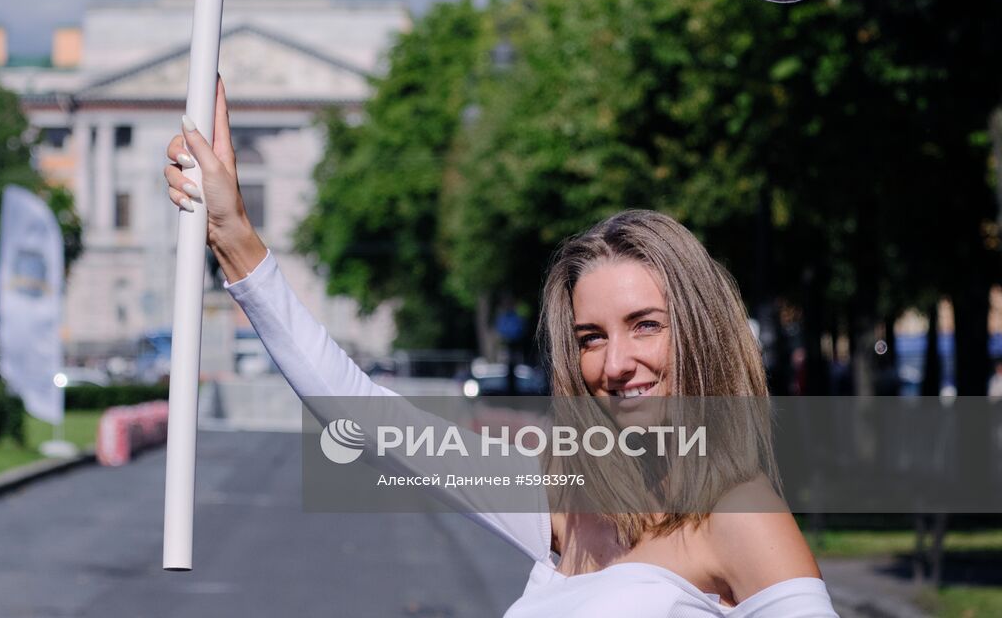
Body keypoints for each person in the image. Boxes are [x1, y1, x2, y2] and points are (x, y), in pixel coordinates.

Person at [164, 78, 840, 617]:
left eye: (645, 325)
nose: (614, 363)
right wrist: (236, 238)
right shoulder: (563, 502)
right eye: (590, 339)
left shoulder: (738, 511)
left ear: (698, 331)